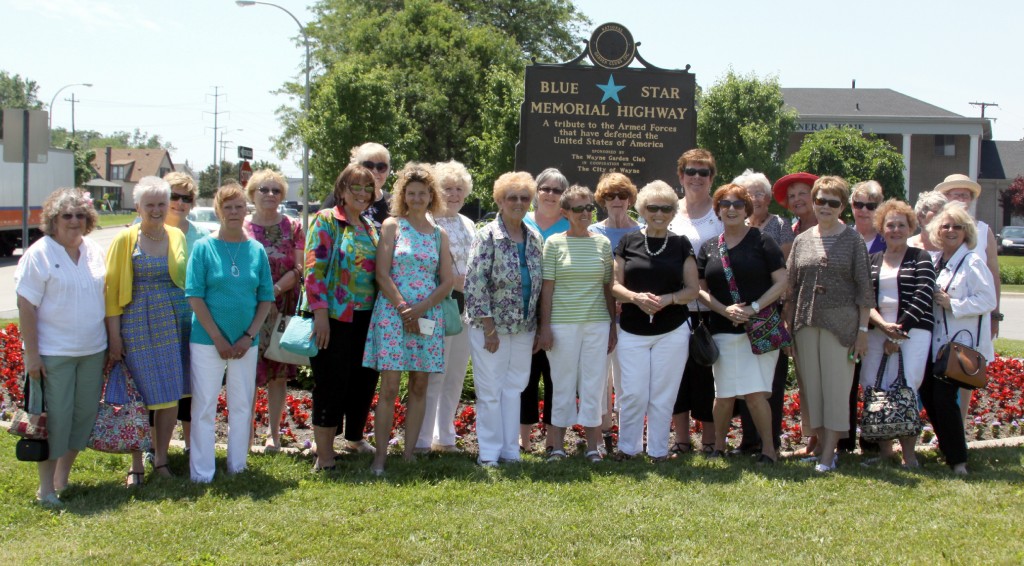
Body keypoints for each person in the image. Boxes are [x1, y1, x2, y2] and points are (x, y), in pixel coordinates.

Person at [15, 188, 106, 507]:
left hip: (93, 350)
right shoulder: (40, 254)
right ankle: (46, 489)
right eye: (67, 215)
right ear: (53, 220)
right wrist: (32, 355)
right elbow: (26, 305)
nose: (74, 221)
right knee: (56, 420)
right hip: (55, 353)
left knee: (82, 417)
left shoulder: (94, 250)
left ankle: (62, 479)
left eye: (80, 215)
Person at [363, 163, 454, 475]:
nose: (417, 198)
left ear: (431, 196)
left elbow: (447, 281)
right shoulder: (392, 226)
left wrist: (423, 307)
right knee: (388, 387)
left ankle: (409, 454)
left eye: (422, 193)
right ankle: (380, 457)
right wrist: (403, 307)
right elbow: (382, 273)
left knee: (419, 385)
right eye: (411, 193)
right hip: (392, 315)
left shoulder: (439, 235)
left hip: (427, 317)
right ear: (403, 195)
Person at [784, 176, 874, 473]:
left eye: (832, 202)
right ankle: (822, 447)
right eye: (820, 200)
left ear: (842, 207)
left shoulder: (853, 240)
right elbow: (791, 287)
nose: (825, 207)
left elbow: (864, 290)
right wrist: (788, 326)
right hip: (805, 324)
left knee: (835, 390)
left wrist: (862, 332)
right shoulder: (801, 240)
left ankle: (828, 456)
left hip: (842, 327)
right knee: (813, 390)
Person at [186, 184, 275, 483]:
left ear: (246, 210)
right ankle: (202, 473)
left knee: (240, 405)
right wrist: (218, 338)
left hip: (245, 343)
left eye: (239, 207)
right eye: (228, 207)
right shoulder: (203, 248)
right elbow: (194, 295)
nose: (234, 212)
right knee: (204, 407)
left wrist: (248, 336)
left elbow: (265, 297)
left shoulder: (256, 250)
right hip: (207, 341)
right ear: (218, 211)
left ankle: (238, 466)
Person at [105, 176, 189, 485]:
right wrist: (115, 337)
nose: (156, 210)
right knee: (138, 397)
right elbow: (112, 292)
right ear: (138, 206)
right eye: (150, 204)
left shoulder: (176, 236)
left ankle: (162, 460)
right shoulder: (124, 239)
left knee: (169, 395)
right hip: (135, 323)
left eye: (161, 204)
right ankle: (136, 464)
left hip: (172, 322)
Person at [696, 184, 787, 465]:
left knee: (756, 394)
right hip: (723, 330)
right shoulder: (710, 247)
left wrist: (754, 307)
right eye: (725, 204)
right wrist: (725, 310)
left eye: (738, 204)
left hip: (759, 329)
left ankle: (769, 450)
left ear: (746, 209)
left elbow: (783, 281)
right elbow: (699, 289)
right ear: (718, 210)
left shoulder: (762, 241)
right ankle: (718, 447)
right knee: (723, 394)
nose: (732, 209)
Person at [610, 180, 698, 461]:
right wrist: (635, 298)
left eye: (666, 208)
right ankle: (628, 448)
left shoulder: (681, 244)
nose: (659, 213)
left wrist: (668, 299)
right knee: (633, 393)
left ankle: (659, 451)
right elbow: (613, 284)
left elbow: (693, 290)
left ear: (673, 212)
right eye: (652, 208)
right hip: (633, 330)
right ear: (642, 209)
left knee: (663, 394)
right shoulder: (628, 241)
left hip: (671, 330)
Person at [464, 172, 544, 466]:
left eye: (525, 197)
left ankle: (510, 450)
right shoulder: (487, 235)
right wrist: (489, 328)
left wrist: (537, 326)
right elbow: (475, 283)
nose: (519, 203)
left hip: (523, 327)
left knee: (515, 388)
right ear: (500, 200)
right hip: (492, 328)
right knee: (490, 390)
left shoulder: (533, 237)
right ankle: (488, 453)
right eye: (512, 197)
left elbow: (537, 283)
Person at [304, 164, 381, 471]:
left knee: (362, 381)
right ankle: (324, 456)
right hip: (335, 318)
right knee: (331, 383)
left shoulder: (369, 226)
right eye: (355, 188)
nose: (362, 194)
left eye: (368, 189)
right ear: (342, 190)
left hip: (366, 318)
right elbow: (314, 270)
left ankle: (354, 437)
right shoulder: (327, 220)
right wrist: (320, 315)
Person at [536, 185, 615, 463]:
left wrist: (613, 327)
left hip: (597, 324)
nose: (585, 213)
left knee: (594, 385)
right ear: (565, 212)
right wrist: (544, 327)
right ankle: (557, 447)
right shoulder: (554, 243)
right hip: (562, 324)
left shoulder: (603, 244)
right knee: (562, 384)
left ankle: (593, 447)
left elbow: (608, 288)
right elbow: (547, 289)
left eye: (589, 207)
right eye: (578, 208)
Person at [859, 199, 935, 468]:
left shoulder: (921, 257)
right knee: (875, 386)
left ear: (910, 227)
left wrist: (897, 334)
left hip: (912, 333)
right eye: (890, 225)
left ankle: (909, 456)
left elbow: (923, 296)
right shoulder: (873, 260)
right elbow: (865, 298)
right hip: (878, 332)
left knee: (905, 389)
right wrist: (882, 328)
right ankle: (885, 453)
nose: (895, 230)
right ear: (881, 228)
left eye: (901, 225)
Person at [921, 204, 996, 476]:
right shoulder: (936, 260)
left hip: (958, 347)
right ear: (937, 231)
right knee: (928, 394)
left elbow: (988, 299)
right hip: (937, 345)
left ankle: (958, 460)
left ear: (967, 232)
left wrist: (954, 304)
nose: (951, 231)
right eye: (945, 226)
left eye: (957, 226)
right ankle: (949, 449)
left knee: (943, 398)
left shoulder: (973, 261)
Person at [415, 160, 477, 454]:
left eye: (459, 189)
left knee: (454, 376)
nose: (454, 194)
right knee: (433, 375)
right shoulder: (427, 222)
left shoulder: (469, 223)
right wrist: (452, 281)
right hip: (438, 306)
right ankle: (423, 439)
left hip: (466, 309)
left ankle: (446, 436)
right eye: (447, 189)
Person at [731, 169, 794, 454]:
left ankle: (772, 441)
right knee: (746, 380)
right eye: (748, 193)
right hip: (740, 315)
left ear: (768, 198)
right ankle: (749, 440)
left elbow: (784, 272)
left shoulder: (780, 226)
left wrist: (783, 311)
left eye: (759, 193)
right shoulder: (733, 227)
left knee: (772, 382)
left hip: (771, 313)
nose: (754, 198)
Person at [243, 169, 304, 451]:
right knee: (249, 374)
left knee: (278, 374)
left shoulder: (292, 226)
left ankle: (274, 435)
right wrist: (259, 297)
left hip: (281, 308)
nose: (269, 195)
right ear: (252, 193)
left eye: (275, 190)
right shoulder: (240, 226)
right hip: (248, 309)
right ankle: (245, 434)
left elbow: (299, 268)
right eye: (263, 190)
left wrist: (273, 292)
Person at [932, 174, 1001, 422]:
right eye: (954, 194)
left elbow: (992, 279)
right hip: (941, 329)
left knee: (962, 374)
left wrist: (995, 316)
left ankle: (957, 431)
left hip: (967, 327)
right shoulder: (940, 235)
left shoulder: (982, 232)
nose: (960, 199)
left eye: (965, 195)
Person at [667, 149, 722, 455]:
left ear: (712, 178)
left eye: (704, 172)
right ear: (681, 175)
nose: (697, 177)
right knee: (677, 376)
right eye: (691, 171)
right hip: (675, 308)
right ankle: (682, 439)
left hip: (711, 308)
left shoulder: (721, 213)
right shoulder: (669, 211)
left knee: (707, 374)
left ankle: (712, 439)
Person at [589, 171, 641, 451]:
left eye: (623, 195)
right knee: (599, 377)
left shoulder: (641, 231)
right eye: (610, 196)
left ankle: (626, 435)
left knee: (626, 377)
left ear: (631, 199)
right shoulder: (593, 232)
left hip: (631, 316)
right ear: (602, 200)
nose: (617, 200)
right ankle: (600, 433)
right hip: (598, 313)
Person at [520, 168, 570, 453]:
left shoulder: (569, 225)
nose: (551, 195)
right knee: (526, 378)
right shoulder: (521, 221)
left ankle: (553, 441)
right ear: (536, 192)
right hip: (524, 312)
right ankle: (524, 440)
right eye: (546, 189)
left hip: (559, 312)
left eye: (557, 191)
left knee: (556, 378)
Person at [162, 172, 209, 454]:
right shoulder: (140, 230)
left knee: (193, 388)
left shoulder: (201, 237)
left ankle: (193, 449)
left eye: (186, 198)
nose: (179, 203)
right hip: (156, 322)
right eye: (173, 196)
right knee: (161, 388)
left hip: (193, 323)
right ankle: (157, 450)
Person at [322, 142, 392, 228]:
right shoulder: (339, 197)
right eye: (368, 166)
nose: (375, 171)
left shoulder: (394, 203)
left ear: (388, 171)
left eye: (381, 167)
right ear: (356, 168)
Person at [907, 191, 948, 255]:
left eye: (943, 212)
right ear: (920, 216)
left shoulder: (950, 247)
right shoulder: (907, 246)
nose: (941, 216)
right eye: (936, 211)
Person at [850, 180, 886, 253]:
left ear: (879, 209)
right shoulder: (842, 237)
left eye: (870, 206)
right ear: (852, 206)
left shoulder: (887, 240)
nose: (864, 210)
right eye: (859, 205)